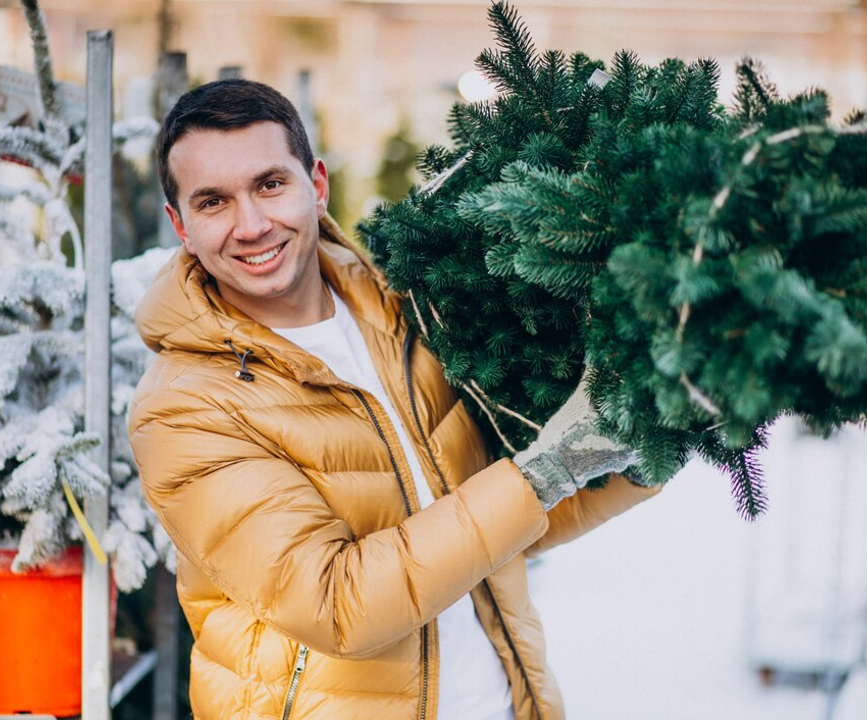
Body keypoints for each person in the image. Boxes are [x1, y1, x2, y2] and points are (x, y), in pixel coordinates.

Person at [128, 79, 660, 720]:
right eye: (214, 201)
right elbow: (337, 605)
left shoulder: (407, 306)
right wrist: (545, 472)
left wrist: (640, 452)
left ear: (316, 185)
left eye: (270, 184)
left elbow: (498, 522)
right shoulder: (186, 408)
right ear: (181, 225)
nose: (251, 224)